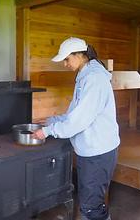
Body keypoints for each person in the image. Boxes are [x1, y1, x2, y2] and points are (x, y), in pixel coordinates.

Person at [32, 37, 120, 220]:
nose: (65, 64)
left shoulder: (94, 79)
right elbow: (75, 113)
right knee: (91, 203)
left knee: (91, 208)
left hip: (98, 152)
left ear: (80, 55)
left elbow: (79, 121)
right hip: (93, 150)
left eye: (67, 59)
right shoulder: (85, 76)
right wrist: (51, 121)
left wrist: (47, 132)